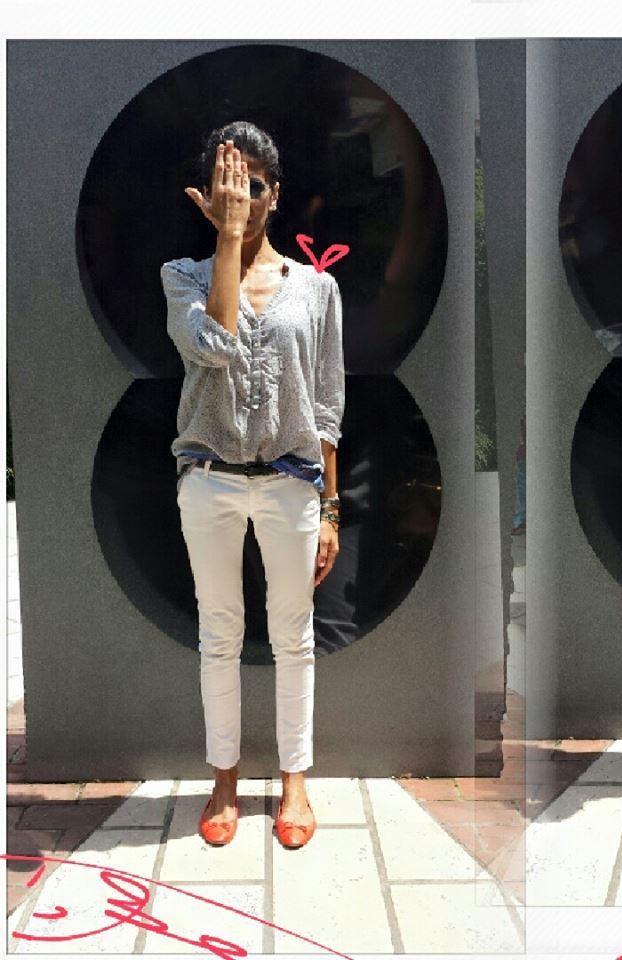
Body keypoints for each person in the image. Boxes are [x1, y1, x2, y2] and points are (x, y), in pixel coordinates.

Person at [161, 122, 345, 847]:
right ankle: (225, 779)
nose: (241, 196)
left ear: (276, 193)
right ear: (206, 197)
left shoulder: (317, 288)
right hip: (210, 477)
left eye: (253, 185)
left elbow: (326, 406)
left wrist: (331, 506)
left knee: (294, 635)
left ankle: (295, 779)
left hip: (292, 480)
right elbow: (213, 345)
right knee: (220, 634)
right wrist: (229, 241)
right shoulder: (183, 277)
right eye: (226, 184)